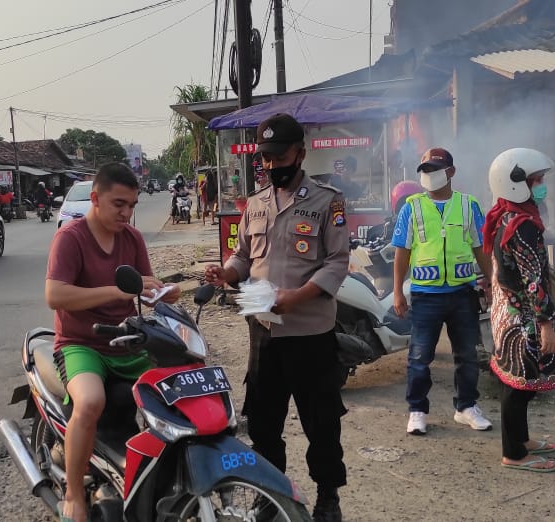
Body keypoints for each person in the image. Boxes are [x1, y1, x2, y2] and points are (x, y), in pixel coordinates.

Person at [204, 113, 350, 522]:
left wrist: (298, 297)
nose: (271, 165)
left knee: (321, 422)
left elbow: (338, 263)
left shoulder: (327, 201)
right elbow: (244, 256)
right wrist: (226, 272)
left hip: (310, 333)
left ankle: (327, 496)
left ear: (300, 153)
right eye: (265, 158)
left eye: (279, 156)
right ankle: (270, 493)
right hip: (264, 332)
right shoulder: (254, 204)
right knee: (264, 424)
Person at [44, 163, 181, 522]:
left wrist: (163, 292)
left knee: (179, 390)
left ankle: (162, 477)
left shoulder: (132, 238)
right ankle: (73, 495)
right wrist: (115, 290)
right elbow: (55, 294)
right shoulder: (70, 237)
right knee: (90, 402)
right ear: (95, 199)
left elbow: (143, 284)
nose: (126, 212)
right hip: (82, 343)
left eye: (132, 205)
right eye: (119, 204)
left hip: (128, 339)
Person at [391, 147, 494, 436]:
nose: (428, 175)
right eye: (424, 170)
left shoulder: (468, 205)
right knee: (420, 356)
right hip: (426, 295)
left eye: (434, 169)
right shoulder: (411, 207)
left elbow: (480, 248)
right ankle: (417, 411)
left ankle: (466, 407)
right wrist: (398, 292)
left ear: (450, 172)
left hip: (462, 293)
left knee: (468, 354)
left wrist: (492, 281)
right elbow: (402, 252)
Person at [483, 148, 555, 472]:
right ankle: (514, 454)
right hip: (524, 317)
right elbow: (534, 280)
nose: (543, 185)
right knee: (519, 386)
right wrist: (547, 324)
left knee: (520, 383)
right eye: (537, 180)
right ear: (517, 184)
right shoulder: (524, 225)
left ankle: (521, 440)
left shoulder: (505, 215)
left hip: (509, 310)